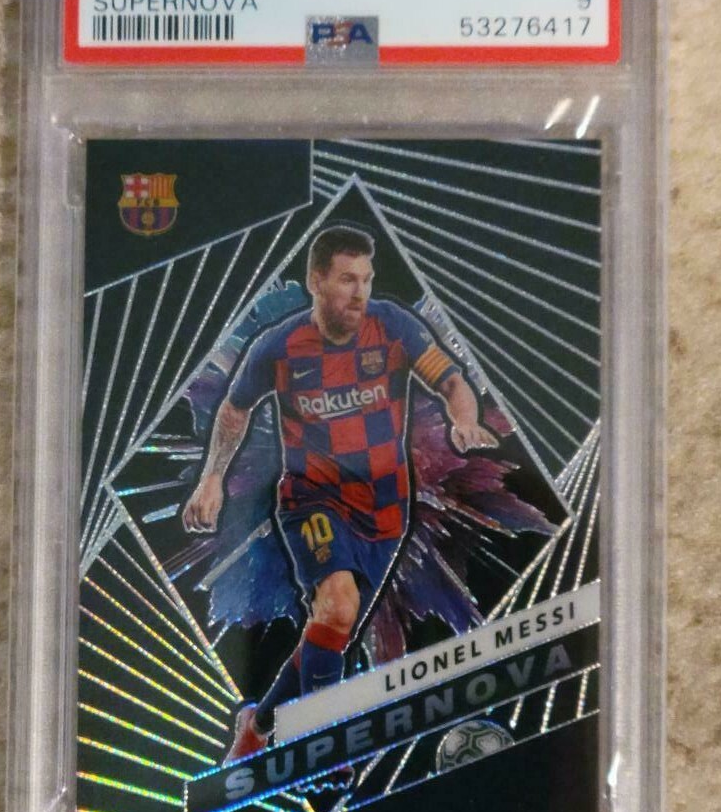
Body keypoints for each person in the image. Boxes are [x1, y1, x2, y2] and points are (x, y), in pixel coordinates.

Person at [183, 225, 497, 765]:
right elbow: (234, 410)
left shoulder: (393, 326)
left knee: (331, 630)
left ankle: (259, 725)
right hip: (312, 500)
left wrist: (464, 420)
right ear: (316, 281)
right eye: (348, 280)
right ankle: (325, 749)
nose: (360, 293)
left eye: (367, 280)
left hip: (387, 511)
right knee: (337, 606)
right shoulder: (279, 347)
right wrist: (211, 478)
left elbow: (451, 381)